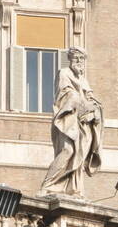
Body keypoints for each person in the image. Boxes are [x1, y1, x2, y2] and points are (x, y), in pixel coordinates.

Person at [40, 47, 103, 197]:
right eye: (76, 58)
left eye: (82, 59)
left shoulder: (83, 80)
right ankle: (48, 184)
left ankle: (73, 188)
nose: (79, 61)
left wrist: (95, 110)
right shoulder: (64, 73)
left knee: (79, 156)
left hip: (83, 125)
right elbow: (66, 95)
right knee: (67, 151)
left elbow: (92, 100)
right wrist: (83, 104)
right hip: (68, 121)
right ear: (70, 59)